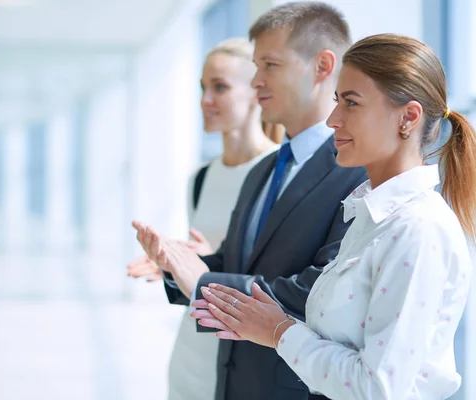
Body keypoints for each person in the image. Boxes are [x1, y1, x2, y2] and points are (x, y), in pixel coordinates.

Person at [193, 33, 476, 400]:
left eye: (351, 103)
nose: (332, 120)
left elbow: (379, 389)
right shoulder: (370, 215)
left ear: (408, 117)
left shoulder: (416, 230)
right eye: (336, 101)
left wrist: (280, 333)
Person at [132, 3, 368, 399]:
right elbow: (234, 262)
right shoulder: (264, 171)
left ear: (322, 67)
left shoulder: (358, 171)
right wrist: (177, 265)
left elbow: (318, 291)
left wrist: (204, 283)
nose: (256, 81)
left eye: (270, 65)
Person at [127, 38, 278, 400]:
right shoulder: (200, 178)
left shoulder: (279, 175)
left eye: (220, 87)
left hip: (239, 360)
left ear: (256, 92)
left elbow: (277, 277)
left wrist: (210, 262)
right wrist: (170, 264)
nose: (205, 100)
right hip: (189, 357)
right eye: (202, 88)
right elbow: (196, 272)